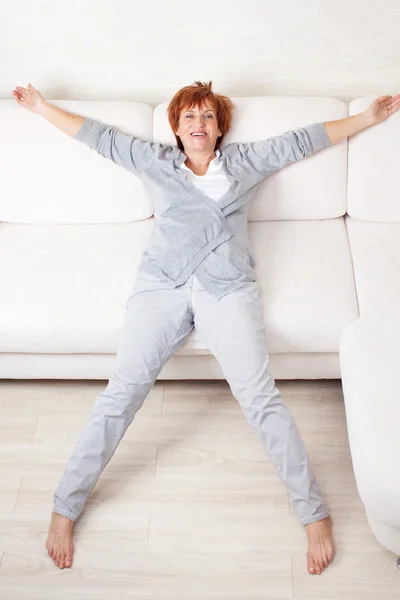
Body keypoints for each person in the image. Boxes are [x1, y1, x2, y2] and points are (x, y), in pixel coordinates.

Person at [16, 80, 398, 576]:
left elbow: (306, 138)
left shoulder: (245, 163)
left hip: (228, 288)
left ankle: (314, 514)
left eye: (208, 117)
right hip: (163, 285)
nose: (199, 125)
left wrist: (366, 119)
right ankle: (65, 506)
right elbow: (97, 136)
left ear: (219, 128)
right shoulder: (153, 161)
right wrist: (43, 108)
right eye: (190, 117)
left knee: (261, 397)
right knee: (122, 392)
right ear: (176, 127)